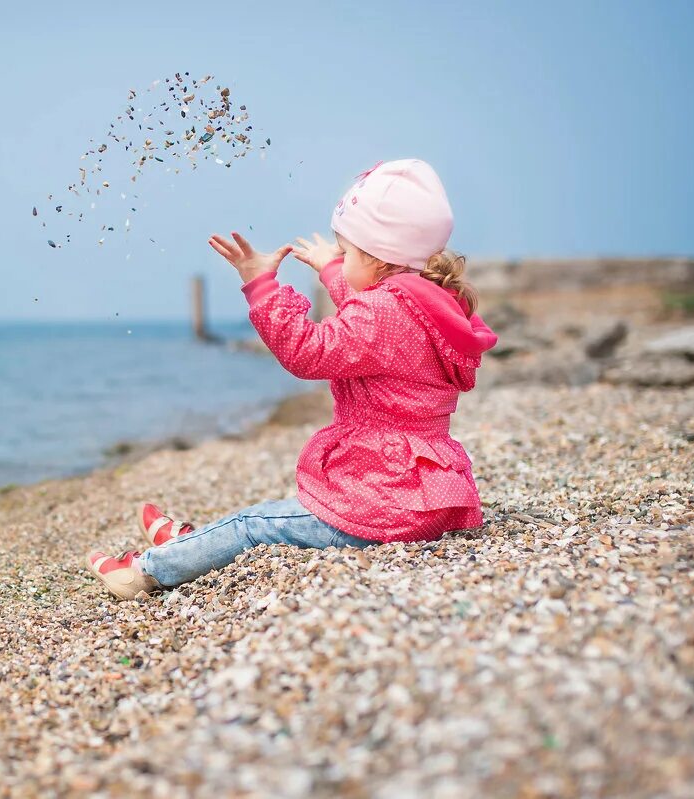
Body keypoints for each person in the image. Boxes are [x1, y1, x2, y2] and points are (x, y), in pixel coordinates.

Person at [86, 159, 498, 599]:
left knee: (253, 525)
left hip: (384, 502)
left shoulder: (381, 314)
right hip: (427, 497)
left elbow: (309, 351)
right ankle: (193, 544)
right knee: (273, 517)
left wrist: (260, 284)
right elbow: (371, 317)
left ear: (377, 258)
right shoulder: (429, 305)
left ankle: (146, 571)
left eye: (348, 252)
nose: (340, 260)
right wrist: (331, 268)